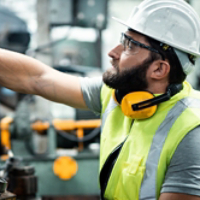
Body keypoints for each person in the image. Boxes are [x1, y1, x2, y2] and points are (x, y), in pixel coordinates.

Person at [1, 0, 200, 199]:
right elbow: (37, 79)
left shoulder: (190, 132)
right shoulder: (118, 96)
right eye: (123, 40)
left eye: (130, 46)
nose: (113, 52)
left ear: (159, 69)